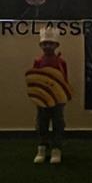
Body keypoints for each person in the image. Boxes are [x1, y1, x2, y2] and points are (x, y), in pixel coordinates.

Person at [31, 27, 70, 164]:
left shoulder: (61, 62)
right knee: (42, 123)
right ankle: (42, 148)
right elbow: (34, 79)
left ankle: (56, 149)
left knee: (58, 123)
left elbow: (64, 80)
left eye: (51, 43)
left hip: (58, 98)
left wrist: (64, 95)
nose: (48, 46)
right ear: (41, 45)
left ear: (56, 45)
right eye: (45, 43)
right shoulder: (38, 61)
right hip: (42, 98)